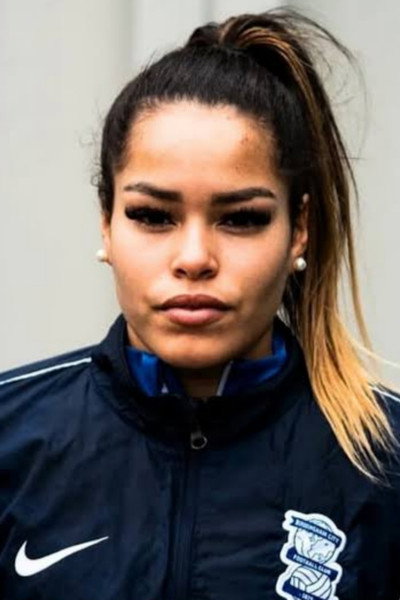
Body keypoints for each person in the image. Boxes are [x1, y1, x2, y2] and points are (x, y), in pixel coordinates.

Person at [0, 8, 399, 600]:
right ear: (107, 222)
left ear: (299, 229)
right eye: (152, 216)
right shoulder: (12, 439)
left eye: (241, 218)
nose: (194, 258)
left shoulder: (384, 463)